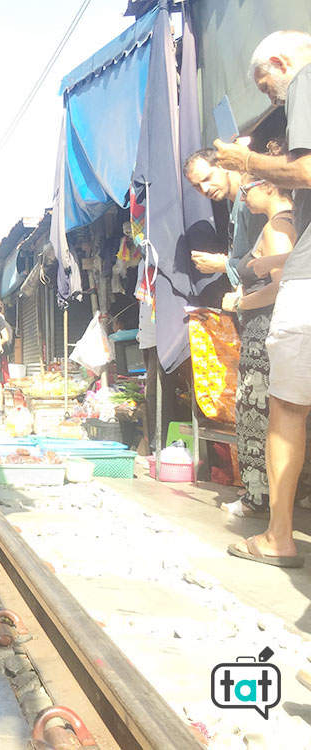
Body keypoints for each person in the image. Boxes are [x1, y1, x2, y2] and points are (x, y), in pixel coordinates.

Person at [214, 29, 311, 567]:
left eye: (267, 85)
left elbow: (306, 170)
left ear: (278, 62)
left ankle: (278, 536)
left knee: (288, 406)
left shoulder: (304, 80)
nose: (273, 97)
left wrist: (244, 160)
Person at [220, 173, 297, 517]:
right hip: (270, 331)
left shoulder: (276, 229)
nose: (244, 196)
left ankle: (258, 497)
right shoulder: (287, 224)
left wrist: (239, 304)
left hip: (264, 334)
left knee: (256, 414)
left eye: (248, 188)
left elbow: (281, 286)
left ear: (269, 186)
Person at [184, 149, 267, 281]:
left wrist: (223, 265)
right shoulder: (233, 203)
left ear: (224, 166)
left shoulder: (253, 201)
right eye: (197, 186)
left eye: (207, 178)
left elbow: (266, 261)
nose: (205, 189)